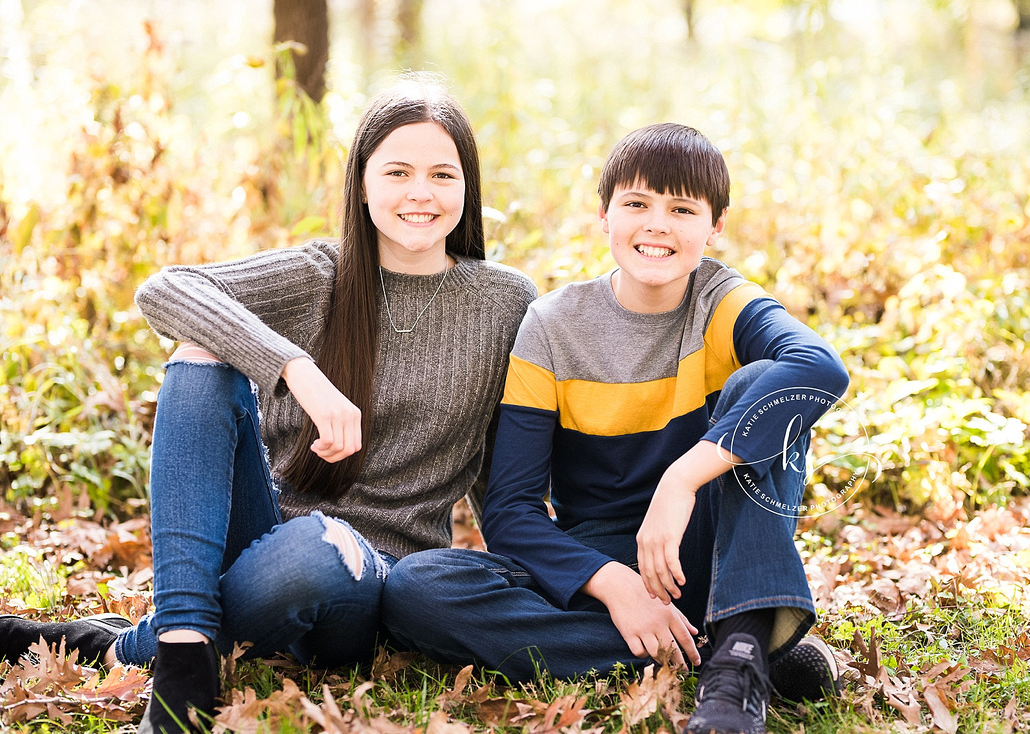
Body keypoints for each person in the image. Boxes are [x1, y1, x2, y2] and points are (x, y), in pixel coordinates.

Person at [0, 75, 537, 734]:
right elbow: (166, 289)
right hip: (260, 541)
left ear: (467, 187)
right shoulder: (320, 274)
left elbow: (501, 468)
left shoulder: (506, 301)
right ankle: (183, 661)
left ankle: (126, 641)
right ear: (362, 182)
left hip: (368, 581)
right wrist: (294, 367)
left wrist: (560, 572)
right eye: (397, 171)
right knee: (200, 357)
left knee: (318, 548)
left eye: (441, 174)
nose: (419, 193)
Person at [381, 123, 849, 734]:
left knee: (759, 386)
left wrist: (682, 480)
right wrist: (616, 586)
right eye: (636, 204)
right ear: (604, 216)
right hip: (599, 557)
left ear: (715, 227)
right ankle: (727, 645)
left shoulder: (722, 301)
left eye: (681, 209)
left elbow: (818, 369)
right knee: (419, 587)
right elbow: (512, 511)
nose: (657, 225)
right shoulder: (551, 327)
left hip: (709, 543)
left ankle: (735, 674)